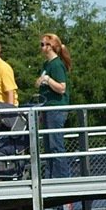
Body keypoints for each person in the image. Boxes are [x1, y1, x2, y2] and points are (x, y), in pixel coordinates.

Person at [36, 33, 71, 179]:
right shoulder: (46, 65)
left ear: (53, 47)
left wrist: (48, 79)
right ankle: (51, 177)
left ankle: (63, 178)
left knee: (56, 145)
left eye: (45, 44)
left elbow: (62, 88)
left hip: (56, 108)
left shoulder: (57, 64)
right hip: (46, 107)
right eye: (41, 44)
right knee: (49, 146)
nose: (42, 47)